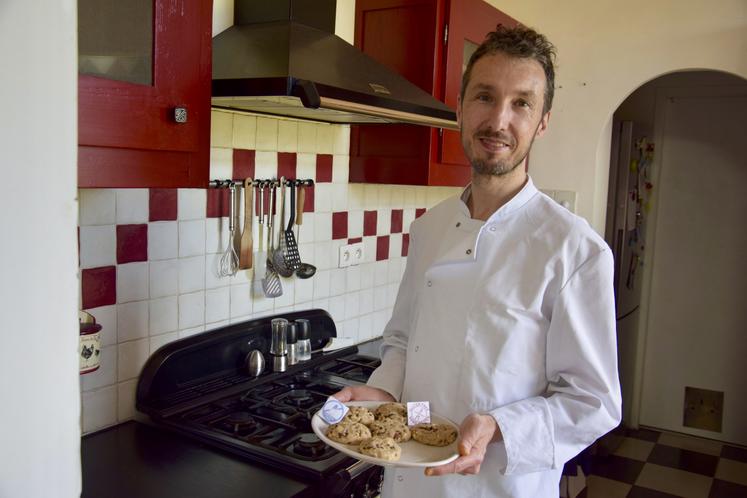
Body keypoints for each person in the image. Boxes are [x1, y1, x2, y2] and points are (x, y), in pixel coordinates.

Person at [335, 25, 621, 497]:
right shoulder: (430, 228)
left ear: (543, 121)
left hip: (500, 485)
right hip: (409, 482)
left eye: (521, 103)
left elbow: (593, 402)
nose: (498, 121)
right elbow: (404, 339)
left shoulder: (574, 250)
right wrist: (386, 393)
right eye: (485, 97)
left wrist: (498, 425)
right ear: (461, 108)